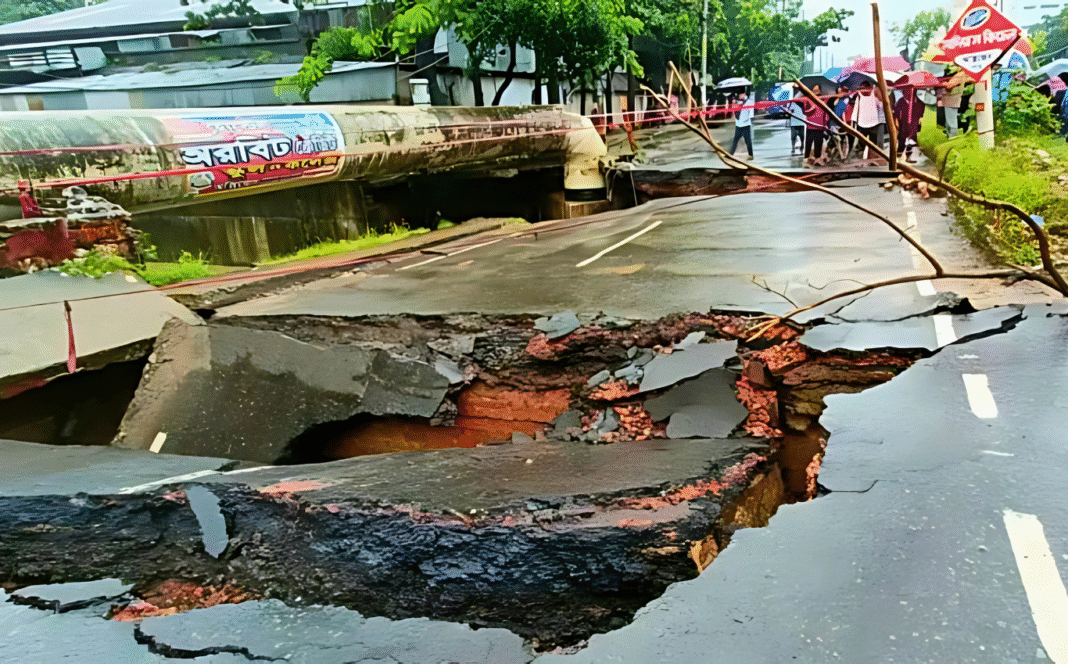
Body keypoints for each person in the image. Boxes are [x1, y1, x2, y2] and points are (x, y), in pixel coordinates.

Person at [851, 82, 885, 161]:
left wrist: (879, 96)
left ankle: (875, 162)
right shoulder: (859, 95)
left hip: (876, 124)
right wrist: (853, 123)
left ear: (869, 87)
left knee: (876, 146)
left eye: (864, 88)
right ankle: (858, 162)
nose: (862, 90)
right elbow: (856, 109)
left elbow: (882, 106)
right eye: (861, 88)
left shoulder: (875, 93)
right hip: (861, 124)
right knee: (859, 146)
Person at [894, 86, 925, 163]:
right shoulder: (901, 102)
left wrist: (919, 126)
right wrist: (896, 125)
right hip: (903, 126)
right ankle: (897, 159)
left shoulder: (919, 103)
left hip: (913, 126)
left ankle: (908, 157)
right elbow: (896, 115)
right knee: (901, 143)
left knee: (910, 144)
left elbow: (921, 117)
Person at [801, 83, 828, 164]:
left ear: (820, 90)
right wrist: (812, 109)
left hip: (820, 126)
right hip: (810, 126)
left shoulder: (824, 99)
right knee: (808, 144)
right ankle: (806, 159)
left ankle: (817, 160)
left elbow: (827, 112)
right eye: (813, 89)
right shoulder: (808, 99)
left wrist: (825, 122)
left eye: (816, 89)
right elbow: (804, 111)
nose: (815, 90)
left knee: (818, 144)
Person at [728, 90, 754, 159]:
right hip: (738, 124)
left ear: (744, 94)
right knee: (735, 140)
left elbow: (751, 114)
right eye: (739, 95)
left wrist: (747, 118)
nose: (739, 96)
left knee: (748, 141)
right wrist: (734, 105)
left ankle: (751, 155)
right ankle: (730, 154)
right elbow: (733, 112)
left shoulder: (749, 101)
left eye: (740, 95)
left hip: (746, 125)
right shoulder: (737, 102)